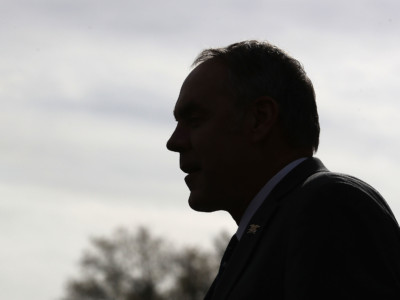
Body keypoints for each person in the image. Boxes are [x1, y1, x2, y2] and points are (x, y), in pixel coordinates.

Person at [166, 40, 400, 299]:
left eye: (195, 121)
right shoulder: (269, 229)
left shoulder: (328, 207)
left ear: (260, 119)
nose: (174, 142)